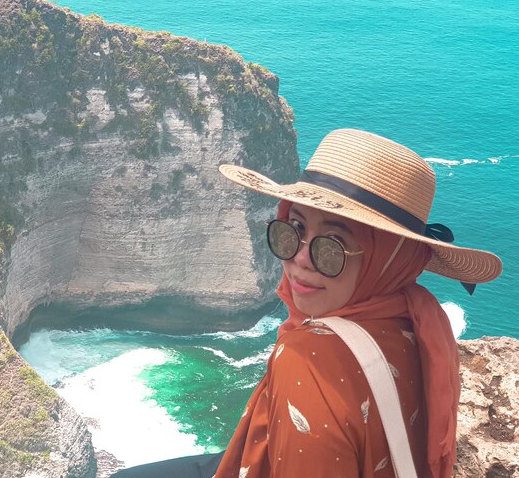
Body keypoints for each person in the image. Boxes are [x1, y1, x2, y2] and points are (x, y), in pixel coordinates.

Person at [112, 128, 502, 478]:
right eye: (294, 229)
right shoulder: (417, 319)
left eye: (332, 247)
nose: (299, 258)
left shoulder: (308, 358)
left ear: (385, 258)